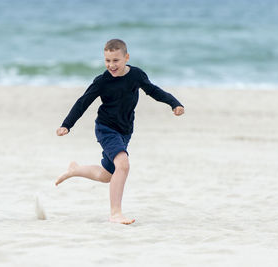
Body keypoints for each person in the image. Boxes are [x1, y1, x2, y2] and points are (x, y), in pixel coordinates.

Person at [55, 39, 184, 224]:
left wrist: (174, 103)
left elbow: (154, 91)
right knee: (123, 164)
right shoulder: (102, 81)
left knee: (107, 175)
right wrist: (67, 124)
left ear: (126, 57)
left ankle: (75, 170)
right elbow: (83, 102)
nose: (111, 65)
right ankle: (115, 213)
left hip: (125, 131)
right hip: (106, 128)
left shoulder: (136, 75)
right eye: (107, 61)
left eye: (116, 60)